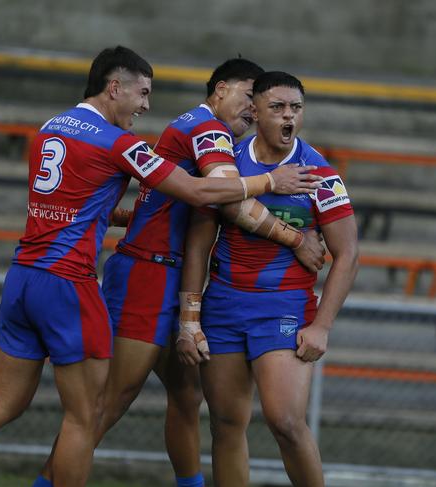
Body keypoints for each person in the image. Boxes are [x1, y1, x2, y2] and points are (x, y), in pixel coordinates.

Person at [0, 49, 317, 487]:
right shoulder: (178, 133)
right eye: (142, 93)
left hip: (33, 273)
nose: (145, 105)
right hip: (110, 276)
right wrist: (281, 207)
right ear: (114, 88)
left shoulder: (52, 126)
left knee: (184, 396)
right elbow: (213, 191)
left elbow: (100, 203)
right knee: (95, 410)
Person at [33, 58, 326, 487]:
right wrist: (296, 237)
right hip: (147, 276)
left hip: (169, 275)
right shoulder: (209, 129)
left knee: (188, 396)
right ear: (221, 89)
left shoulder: (194, 126)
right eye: (250, 97)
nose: (252, 109)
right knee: (108, 402)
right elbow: (230, 199)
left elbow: (172, 205)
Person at [178, 71, 359, 487]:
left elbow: (348, 254)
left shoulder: (320, 173)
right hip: (223, 306)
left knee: (286, 422)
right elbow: (198, 246)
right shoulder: (227, 166)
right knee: (224, 424)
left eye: (295, 108)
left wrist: (322, 327)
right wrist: (190, 319)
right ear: (255, 111)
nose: (288, 116)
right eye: (277, 107)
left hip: (284, 308)